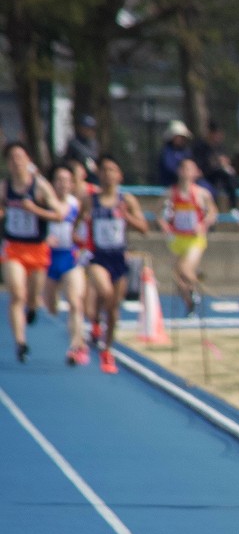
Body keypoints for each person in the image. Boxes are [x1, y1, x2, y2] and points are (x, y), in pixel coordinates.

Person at [81, 155, 152, 373]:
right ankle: (95, 322)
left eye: (113, 170)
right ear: (99, 174)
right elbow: (78, 223)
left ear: (119, 175)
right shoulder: (90, 199)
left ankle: (107, 350)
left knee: (113, 310)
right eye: (104, 170)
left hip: (119, 259)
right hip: (98, 258)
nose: (109, 174)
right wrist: (78, 237)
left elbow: (144, 228)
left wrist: (127, 217)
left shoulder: (126, 200)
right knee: (106, 292)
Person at [4, 142, 59, 363]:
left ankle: (34, 306)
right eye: (12, 158)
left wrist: (34, 209)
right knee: (17, 294)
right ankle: (20, 342)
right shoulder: (4, 187)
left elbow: (59, 213)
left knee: (33, 296)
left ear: (28, 161)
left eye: (20, 157)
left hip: (37, 249)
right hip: (13, 248)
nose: (17, 162)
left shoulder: (40, 186)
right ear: (8, 163)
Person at [39, 163, 88, 366]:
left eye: (67, 181)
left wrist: (80, 241)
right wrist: (43, 239)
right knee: (51, 308)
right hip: (48, 259)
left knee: (76, 303)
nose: (63, 184)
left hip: (70, 257)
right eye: (59, 180)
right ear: (52, 183)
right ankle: (76, 339)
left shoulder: (77, 205)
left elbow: (84, 231)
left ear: (72, 184)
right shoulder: (43, 203)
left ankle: (76, 347)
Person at [160, 156, 218, 314]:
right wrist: (164, 225)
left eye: (189, 169)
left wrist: (203, 224)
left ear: (196, 173)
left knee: (184, 269)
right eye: (183, 168)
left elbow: (213, 212)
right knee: (177, 276)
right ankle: (189, 300)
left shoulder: (201, 194)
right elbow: (159, 213)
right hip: (177, 238)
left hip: (195, 239)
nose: (186, 172)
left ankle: (200, 288)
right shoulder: (171, 193)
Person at [193, 124, 239, 215]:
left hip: (217, 175)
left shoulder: (220, 147)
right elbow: (201, 164)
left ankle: (233, 207)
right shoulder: (200, 147)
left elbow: (225, 161)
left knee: (230, 177)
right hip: (204, 176)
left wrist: (225, 164)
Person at [157, 121, 192, 186]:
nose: (180, 139)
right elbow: (169, 168)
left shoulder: (186, 151)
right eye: (178, 136)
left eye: (182, 137)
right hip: (170, 183)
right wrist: (182, 173)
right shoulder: (166, 152)